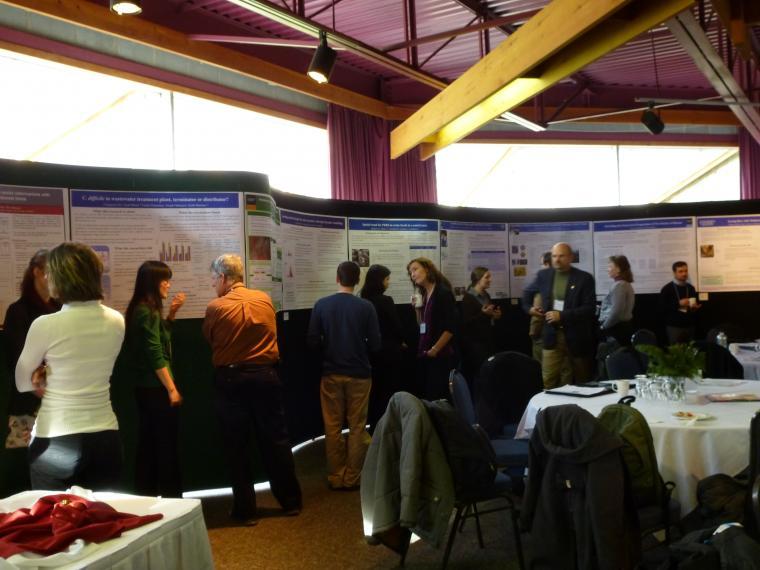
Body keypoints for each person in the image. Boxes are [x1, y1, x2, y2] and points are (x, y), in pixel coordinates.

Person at [15, 242, 125, 490]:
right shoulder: (117, 320)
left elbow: (22, 382)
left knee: (54, 522)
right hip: (106, 435)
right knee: (102, 524)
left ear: (60, 277)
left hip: (56, 436)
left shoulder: (46, 324)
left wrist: (45, 375)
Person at [203, 254, 302, 524]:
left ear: (223, 278)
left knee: (237, 447)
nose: (213, 285)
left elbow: (211, 339)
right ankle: (291, 502)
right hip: (267, 377)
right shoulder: (265, 299)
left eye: (213, 280)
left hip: (231, 381)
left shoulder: (216, 307)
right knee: (277, 441)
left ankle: (245, 511)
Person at [308, 261, 381, 490]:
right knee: (357, 426)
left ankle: (336, 476)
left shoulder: (321, 305)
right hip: (359, 373)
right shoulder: (366, 307)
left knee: (332, 427)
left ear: (337, 279)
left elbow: (311, 341)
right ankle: (353, 477)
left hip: (331, 373)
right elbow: (376, 344)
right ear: (357, 280)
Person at [122, 260, 186, 498]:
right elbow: (155, 353)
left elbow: (160, 339)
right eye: (165, 280)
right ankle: (173, 499)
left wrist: (172, 314)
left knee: (150, 444)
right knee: (165, 447)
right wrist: (171, 389)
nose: (168, 284)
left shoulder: (145, 309)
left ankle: (147, 496)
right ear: (153, 283)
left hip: (147, 389)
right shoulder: (145, 311)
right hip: (155, 390)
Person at [3, 250, 61, 451]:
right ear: (37, 272)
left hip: (60, 398)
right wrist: (41, 389)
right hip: (31, 400)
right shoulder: (18, 311)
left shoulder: (61, 308)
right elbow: (18, 358)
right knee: (31, 463)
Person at [522, 242, 596, 388]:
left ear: (570, 257)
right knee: (547, 380)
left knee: (582, 380)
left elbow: (589, 309)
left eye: (561, 256)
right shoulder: (543, 275)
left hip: (577, 337)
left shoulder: (584, 278)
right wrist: (530, 309)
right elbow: (526, 294)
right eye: (554, 256)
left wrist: (562, 315)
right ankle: (547, 410)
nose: (557, 259)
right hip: (551, 336)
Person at [359, 264, 407, 431]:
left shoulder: (362, 300)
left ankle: (374, 426)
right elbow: (396, 326)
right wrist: (402, 340)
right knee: (389, 391)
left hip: (370, 353)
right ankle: (390, 427)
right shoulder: (385, 301)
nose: (388, 283)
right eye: (387, 279)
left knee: (374, 392)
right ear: (379, 281)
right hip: (389, 352)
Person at [407, 257, 458, 400]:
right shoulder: (424, 294)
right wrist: (417, 309)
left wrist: (435, 349)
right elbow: (421, 325)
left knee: (439, 396)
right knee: (429, 395)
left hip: (441, 355)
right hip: (427, 353)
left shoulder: (442, 293)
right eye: (411, 272)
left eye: (415, 269)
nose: (413, 274)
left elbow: (450, 327)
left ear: (427, 269)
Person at [460, 266, 502, 385]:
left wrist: (495, 315)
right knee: (479, 376)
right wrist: (484, 314)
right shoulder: (468, 298)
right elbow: (467, 324)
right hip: (475, 346)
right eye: (487, 277)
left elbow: (487, 316)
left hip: (487, 342)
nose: (490, 280)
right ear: (478, 279)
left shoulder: (486, 295)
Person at [659, 261, 700, 344]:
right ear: (674, 273)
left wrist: (694, 308)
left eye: (686, 271)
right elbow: (662, 308)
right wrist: (679, 304)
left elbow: (693, 307)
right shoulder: (667, 289)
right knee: (676, 351)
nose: (684, 274)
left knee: (691, 350)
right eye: (680, 271)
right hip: (674, 326)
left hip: (689, 325)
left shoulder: (691, 288)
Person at [599, 255, 635, 346]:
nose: (608, 269)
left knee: (614, 357)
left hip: (616, 328)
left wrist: (604, 326)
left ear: (618, 269)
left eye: (610, 266)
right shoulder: (625, 284)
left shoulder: (619, 286)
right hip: (621, 327)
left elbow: (617, 311)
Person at [528, 252, 552, 362]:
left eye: (542, 264)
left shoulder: (542, 287)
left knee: (540, 368)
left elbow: (537, 314)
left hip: (542, 335)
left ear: (547, 265)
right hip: (559, 335)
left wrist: (533, 333)